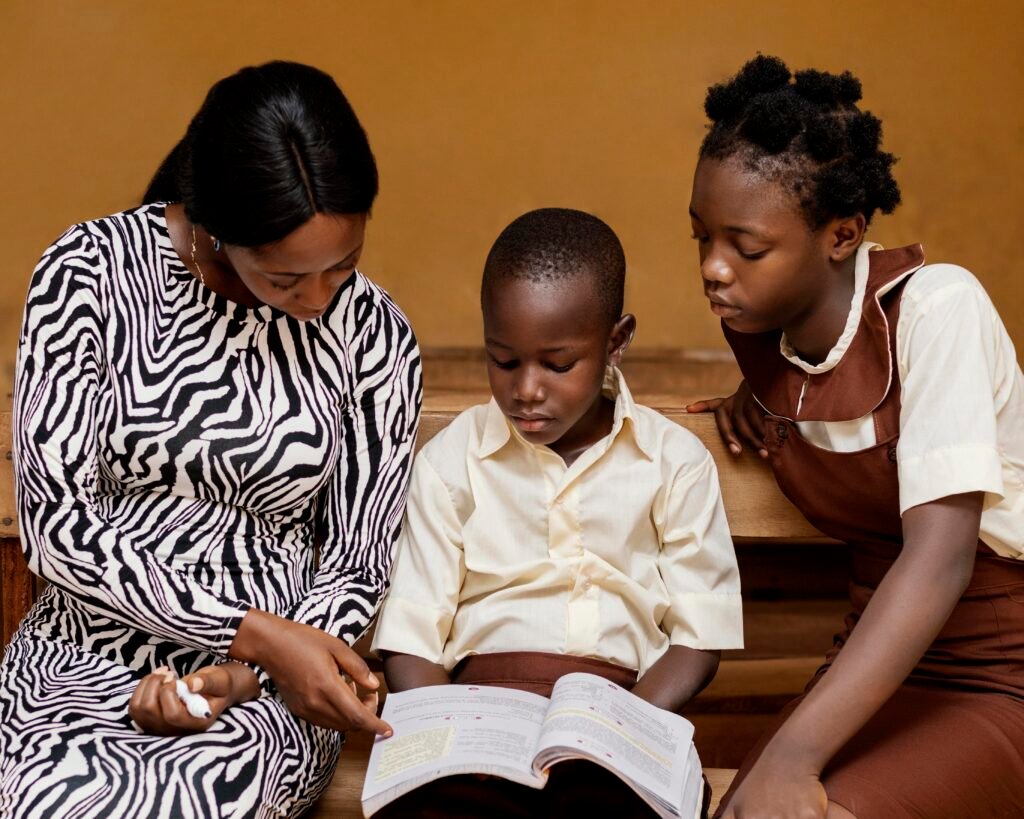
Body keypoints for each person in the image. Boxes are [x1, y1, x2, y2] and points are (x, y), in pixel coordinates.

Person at [1, 61, 422, 818]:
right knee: (48, 794)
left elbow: (359, 558)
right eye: (287, 279)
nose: (320, 298)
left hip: (276, 687)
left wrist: (251, 670)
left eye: (344, 265)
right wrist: (245, 631)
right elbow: (57, 525)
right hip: (81, 650)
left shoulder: (375, 334)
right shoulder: (89, 274)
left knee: (198, 794)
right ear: (217, 231)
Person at [684, 56, 1024, 819]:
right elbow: (831, 391)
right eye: (702, 235)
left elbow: (940, 561)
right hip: (881, 660)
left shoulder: (939, 310)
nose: (712, 267)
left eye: (747, 246)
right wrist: (760, 399)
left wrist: (795, 757)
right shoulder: (776, 345)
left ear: (843, 234)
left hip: (1004, 667)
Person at [370, 208, 743, 817]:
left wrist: (624, 729)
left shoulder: (673, 462)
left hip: (623, 709)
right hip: (477, 714)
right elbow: (412, 637)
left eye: (558, 364)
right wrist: (450, 736)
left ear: (616, 341)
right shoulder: (450, 462)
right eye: (504, 360)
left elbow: (701, 636)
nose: (527, 390)